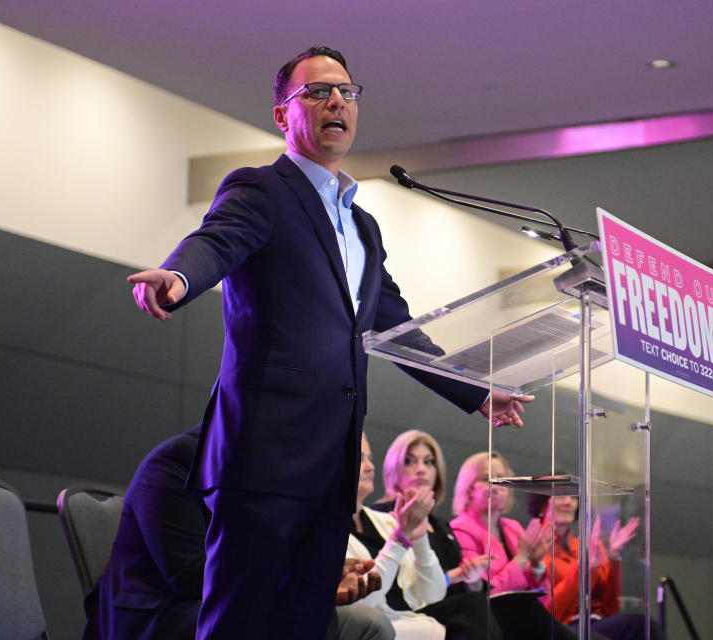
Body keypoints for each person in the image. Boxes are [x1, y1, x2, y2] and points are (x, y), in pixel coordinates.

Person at [127, 45, 532, 638]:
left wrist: (476, 392)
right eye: (316, 92)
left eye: (346, 92)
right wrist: (179, 277)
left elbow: (396, 330)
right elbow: (217, 240)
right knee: (238, 623)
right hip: (262, 459)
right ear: (281, 115)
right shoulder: (262, 190)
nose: (336, 101)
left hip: (330, 468)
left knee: (304, 627)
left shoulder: (363, 226)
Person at [82, 425, 394, 640]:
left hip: (217, 609)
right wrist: (296, 585)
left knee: (366, 625)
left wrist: (313, 577)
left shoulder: (259, 468)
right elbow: (192, 577)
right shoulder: (174, 462)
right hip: (153, 622)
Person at [373, 430, 581, 640]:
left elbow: (535, 597)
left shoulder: (446, 527)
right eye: (409, 461)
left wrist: (535, 563)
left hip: (468, 608)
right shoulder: (457, 527)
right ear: (469, 487)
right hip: (426, 610)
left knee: (525, 608)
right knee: (503, 608)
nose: (420, 470)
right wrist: (519, 561)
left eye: (428, 462)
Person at [347, 433, 448, 638]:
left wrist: (419, 540)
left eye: (371, 458)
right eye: (361, 458)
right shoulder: (325, 532)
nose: (370, 467)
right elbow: (361, 602)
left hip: (415, 624)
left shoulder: (387, 522)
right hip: (381, 629)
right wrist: (400, 538)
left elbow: (432, 595)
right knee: (471, 608)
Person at [525, 493, 658, 640]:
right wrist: (584, 568)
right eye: (561, 496)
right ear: (542, 502)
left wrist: (614, 557)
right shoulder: (533, 548)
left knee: (644, 626)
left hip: (595, 624)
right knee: (637, 625)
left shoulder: (586, 546)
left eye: (574, 497)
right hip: (560, 629)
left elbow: (610, 609)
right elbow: (549, 613)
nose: (569, 502)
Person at [450, 452, 552, 594]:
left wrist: (536, 564)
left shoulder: (513, 527)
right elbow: (483, 594)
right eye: (487, 479)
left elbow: (543, 598)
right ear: (469, 487)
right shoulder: (460, 529)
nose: (496, 486)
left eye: (502, 479)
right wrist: (521, 558)